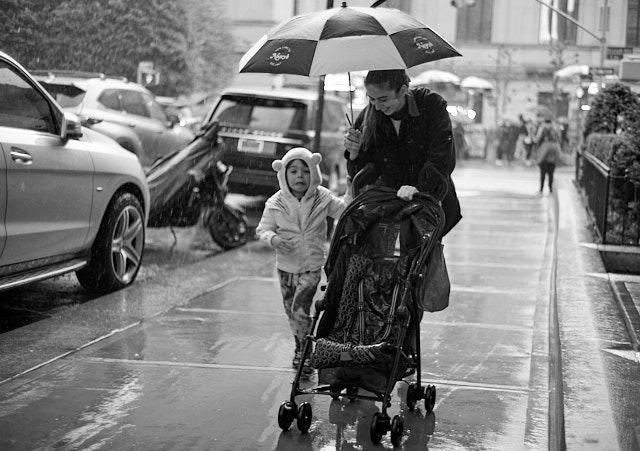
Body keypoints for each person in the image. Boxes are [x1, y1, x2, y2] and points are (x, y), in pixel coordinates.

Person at [256, 147, 350, 377]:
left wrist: (352, 187)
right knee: (292, 313)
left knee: (300, 308)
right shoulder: (275, 202)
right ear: (283, 174)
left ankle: (307, 352)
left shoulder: (322, 197)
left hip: (311, 267)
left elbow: (344, 211)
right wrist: (274, 239)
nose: (300, 176)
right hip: (285, 267)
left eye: (305, 171)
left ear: (314, 173)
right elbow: (262, 229)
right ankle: (301, 347)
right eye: (294, 171)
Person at [343, 69, 461, 236]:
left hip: (429, 206)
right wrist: (354, 153)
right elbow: (361, 174)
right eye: (371, 99)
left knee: (421, 258)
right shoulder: (368, 116)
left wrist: (420, 189)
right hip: (386, 210)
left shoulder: (431, 105)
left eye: (384, 99)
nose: (377, 106)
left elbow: (442, 158)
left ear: (404, 90)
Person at [532, 113, 561, 194]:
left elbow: (537, 140)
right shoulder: (555, 129)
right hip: (554, 152)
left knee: (543, 172)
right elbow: (559, 140)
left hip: (544, 152)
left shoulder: (542, 129)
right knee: (551, 172)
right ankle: (550, 188)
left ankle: (541, 189)